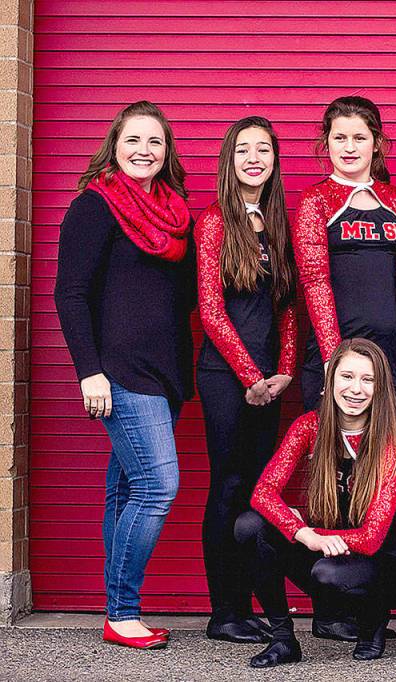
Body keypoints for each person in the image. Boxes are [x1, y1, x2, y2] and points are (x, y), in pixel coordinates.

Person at [54, 101, 194, 649]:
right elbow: (70, 294)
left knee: (125, 489)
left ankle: (118, 610)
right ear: (115, 145)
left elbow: (178, 299)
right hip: (120, 372)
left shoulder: (176, 212)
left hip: (166, 373)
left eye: (155, 141)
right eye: (133, 139)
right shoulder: (94, 207)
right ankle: (123, 611)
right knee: (159, 486)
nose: (144, 150)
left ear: (167, 151)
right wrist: (89, 371)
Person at [235, 338, 396, 668]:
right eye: (347, 377)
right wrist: (301, 532)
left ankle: (374, 617)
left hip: (386, 565)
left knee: (328, 573)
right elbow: (262, 493)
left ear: (380, 388)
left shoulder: (388, 442)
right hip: (327, 551)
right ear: (330, 380)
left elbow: (372, 537)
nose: (356, 389)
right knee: (250, 526)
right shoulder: (308, 427)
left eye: (368, 379)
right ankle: (282, 639)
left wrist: (307, 532)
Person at [194, 116, 298, 643]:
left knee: (260, 492)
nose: (254, 158)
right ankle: (225, 612)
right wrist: (250, 375)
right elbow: (211, 310)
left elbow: (288, 308)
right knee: (229, 488)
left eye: (263, 150)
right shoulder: (214, 221)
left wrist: (283, 370)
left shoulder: (276, 222)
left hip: (267, 383)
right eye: (243, 150)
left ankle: (250, 604)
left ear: (274, 160)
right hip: (225, 379)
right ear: (228, 160)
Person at [294, 96, 396, 410]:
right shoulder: (315, 200)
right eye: (340, 138)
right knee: (330, 456)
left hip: (387, 357)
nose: (349, 147)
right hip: (335, 355)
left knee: (384, 455)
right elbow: (314, 281)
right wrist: (332, 357)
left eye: (359, 138)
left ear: (377, 143)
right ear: (326, 142)